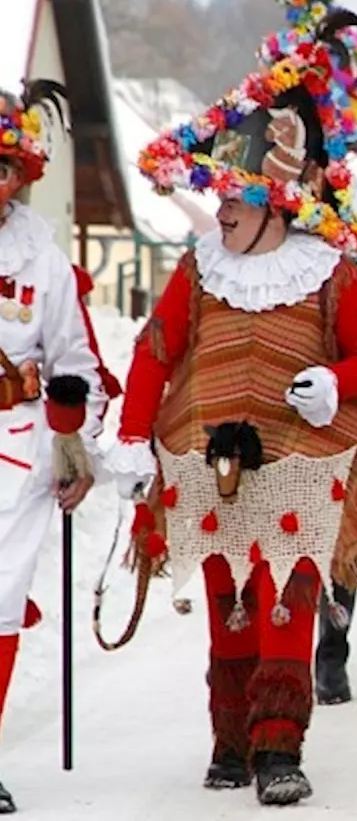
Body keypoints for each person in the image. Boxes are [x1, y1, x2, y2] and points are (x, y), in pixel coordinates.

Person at [113, 3, 357, 805]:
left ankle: (279, 747)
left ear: (272, 202)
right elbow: (155, 351)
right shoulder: (202, 267)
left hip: (302, 466)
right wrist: (135, 443)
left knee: (285, 600)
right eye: (218, 197)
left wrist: (336, 381)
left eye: (232, 198)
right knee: (229, 603)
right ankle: (230, 741)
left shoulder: (327, 270)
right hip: (216, 466)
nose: (219, 209)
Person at [258, 0, 357, 710]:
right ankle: (271, 639)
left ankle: (336, 636)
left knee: (343, 513)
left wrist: (350, 349)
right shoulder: (261, 208)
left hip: (352, 388)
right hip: (275, 385)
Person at [0, 81, 113, 816]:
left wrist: (75, 445)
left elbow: (76, 357)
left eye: (4, 168)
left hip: (16, 449)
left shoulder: (41, 255)